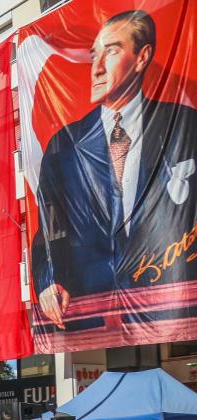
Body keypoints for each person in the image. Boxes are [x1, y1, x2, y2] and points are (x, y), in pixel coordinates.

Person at [31, 10, 197, 330]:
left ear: (141, 57)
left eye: (112, 51)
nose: (96, 68)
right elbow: (48, 233)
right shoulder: (64, 146)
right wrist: (46, 282)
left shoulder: (184, 125)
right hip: (91, 317)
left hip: (173, 309)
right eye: (95, 54)